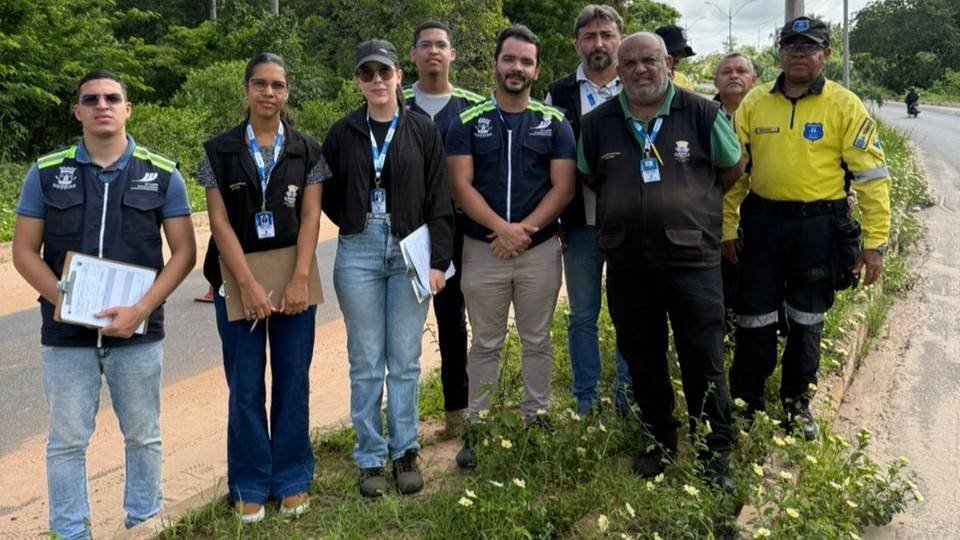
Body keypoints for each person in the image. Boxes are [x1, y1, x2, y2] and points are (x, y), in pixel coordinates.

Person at [12, 70, 196, 539]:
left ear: (128, 108)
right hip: (66, 336)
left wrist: (141, 309)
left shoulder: (162, 173)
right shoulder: (47, 172)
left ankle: (145, 524)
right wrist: (66, 300)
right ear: (77, 111)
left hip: (138, 333)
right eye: (90, 99)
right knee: (66, 443)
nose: (102, 105)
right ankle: (70, 533)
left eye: (112, 97)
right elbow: (23, 251)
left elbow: (184, 254)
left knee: (143, 436)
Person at [578, 33, 745, 490]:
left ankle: (714, 454)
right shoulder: (597, 124)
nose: (639, 70)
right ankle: (660, 442)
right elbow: (591, 175)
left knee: (703, 357)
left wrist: (696, 202)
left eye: (649, 60)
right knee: (642, 356)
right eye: (628, 63)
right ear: (618, 69)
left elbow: (732, 168)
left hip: (694, 259)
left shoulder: (702, 113)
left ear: (667, 63)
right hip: (629, 262)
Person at [724, 17, 891, 441]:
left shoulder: (845, 105)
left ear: (826, 54)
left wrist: (874, 243)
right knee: (753, 315)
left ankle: (796, 404)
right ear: (779, 53)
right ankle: (747, 401)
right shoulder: (754, 103)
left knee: (807, 317)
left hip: (820, 228)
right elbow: (735, 174)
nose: (800, 54)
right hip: (761, 225)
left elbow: (872, 178)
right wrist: (727, 227)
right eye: (792, 46)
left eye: (810, 47)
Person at [322, 39, 453, 498]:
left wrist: (439, 260)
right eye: (367, 73)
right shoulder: (342, 133)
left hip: (409, 249)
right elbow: (330, 195)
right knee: (364, 360)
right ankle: (371, 456)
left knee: (404, 360)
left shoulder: (422, 129)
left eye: (385, 72)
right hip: (357, 250)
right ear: (358, 82)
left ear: (400, 75)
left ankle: (405, 451)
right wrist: (359, 220)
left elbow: (440, 196)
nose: (377, 80)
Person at [199, 53, 326, 522]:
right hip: (237, 281)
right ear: (246, 89)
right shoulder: (219, 151)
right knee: (246, 386)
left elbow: (311, 217)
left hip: (294, 279)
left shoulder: (308, 151)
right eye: (260, 84)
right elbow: (218, 222)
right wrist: (247, 285)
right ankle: (250, 482)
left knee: (293, 380)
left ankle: (292, 477)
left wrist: (297, 279)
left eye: (277, 85)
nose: (269, 93)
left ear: (287, 92)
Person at [447, 24, 576, 469]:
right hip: (483, 249)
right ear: (496, 63)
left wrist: (523, 230)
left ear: (536, 69)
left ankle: (536, 418)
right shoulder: (465, 121)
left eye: (526, 61)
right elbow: (460, 185)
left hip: (538, 249)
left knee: (538, 338)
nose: (517, 68)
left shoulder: (554, 122)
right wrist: (500, 229)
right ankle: (478, 426)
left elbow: (563, 186)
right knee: (485, 342)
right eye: (510, 59)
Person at [544, 4, 632, 417]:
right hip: (579, 225)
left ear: (620, 38)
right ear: (577, 42)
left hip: (633, 224)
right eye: (590, 36)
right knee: (582, 315)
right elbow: (545, 159)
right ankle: (585, 399)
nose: (599, 43)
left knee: (630, 309)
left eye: (606, 35)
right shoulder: (558, 94)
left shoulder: (638, 83)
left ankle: (627, 396)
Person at [404, 20, 485, 437]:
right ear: (413, 54)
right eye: (425, 45)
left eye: (441, 45)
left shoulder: (474, 107)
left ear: (453, 54)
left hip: (457, 231)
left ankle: (457, 412)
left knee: (453, 321)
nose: (433, 51)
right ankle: (401, 425)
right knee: (401, 329)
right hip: (405, 234)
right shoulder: (393, 102)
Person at [713, 52, 758, 329]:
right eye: (727, 71)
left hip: (761, 218)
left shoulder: (766, 115)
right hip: (715, 220)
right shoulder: (703, 118)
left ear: (753, 80)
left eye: (741, 71)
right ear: (716, 81)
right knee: (721, 289)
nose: (734, 76)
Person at [654, 25, 696, 91]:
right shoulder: (642, 81)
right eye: (672, 53)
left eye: (681, 53)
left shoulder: (683, 81)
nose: (677, 59)